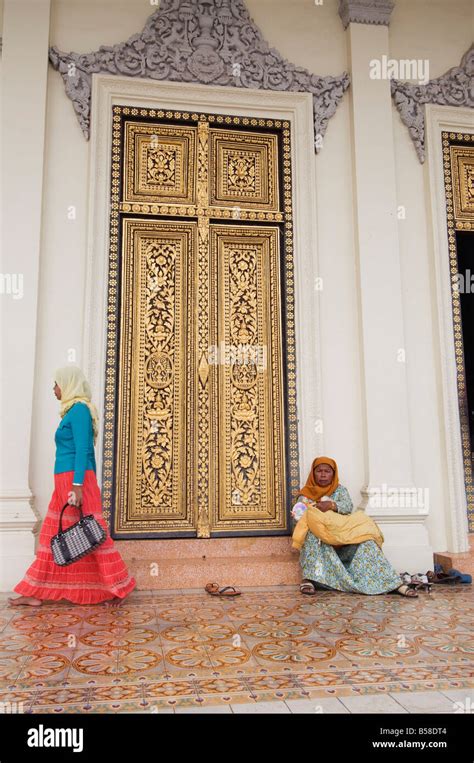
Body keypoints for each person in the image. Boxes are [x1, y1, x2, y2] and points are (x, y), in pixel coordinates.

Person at [8, 366, 136, 608]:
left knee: (93, 535)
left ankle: (120, 588)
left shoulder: (79, 411)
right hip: (65, 482)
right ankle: (35, 592)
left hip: (75, 483)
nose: (54, 389)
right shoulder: (70, 412)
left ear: (68, 384)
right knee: (54, 537)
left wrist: (78, 486)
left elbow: (84, 450)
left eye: (57, 384)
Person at [292, 456, 417, 598]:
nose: (323, 474)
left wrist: (332, 505)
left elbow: (347, 507)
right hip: (323, 541)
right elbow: (300, 512)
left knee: (366, 540)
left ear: (334, 474)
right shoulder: (306, 493)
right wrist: (301, 515)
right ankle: (310, 579)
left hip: (341, 536)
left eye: (327, 471)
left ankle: (393, 583)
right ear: (313, 473)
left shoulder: (340, 490)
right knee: (312, 533)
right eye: (319, 471)